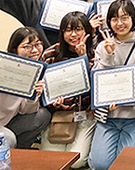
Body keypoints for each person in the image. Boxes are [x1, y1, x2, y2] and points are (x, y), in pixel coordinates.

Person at [88, 0, 135, 170]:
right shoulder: (102, 46)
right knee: (99, 164)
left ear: (133, 19)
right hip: (108, 117)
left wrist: (125, 99)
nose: (120, 23)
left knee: (128, 164)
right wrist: (109, 55)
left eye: (125, 18)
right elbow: (99, 80)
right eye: (115, 19)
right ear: (109, 21)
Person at [40, 12, 96, 168]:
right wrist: (52, 102)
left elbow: (98, 90)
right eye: (68, 30)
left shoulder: (96, 54)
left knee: (76, 161)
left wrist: (83, 57)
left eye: (78, 29)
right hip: (58, 115)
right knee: (53, 159)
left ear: (88, 31)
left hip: (85, 115)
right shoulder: (51, 54)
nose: (73, 34)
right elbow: (42, 90)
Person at [0, 27, 49, 149]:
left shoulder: (37, 71)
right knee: (7, 138)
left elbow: (26, 111)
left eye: (38, 44)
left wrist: (33, 96)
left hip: (9, 121)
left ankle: (20, 153)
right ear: (15, 49)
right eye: (27, 47)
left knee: (42, 115)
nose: (35, 50)